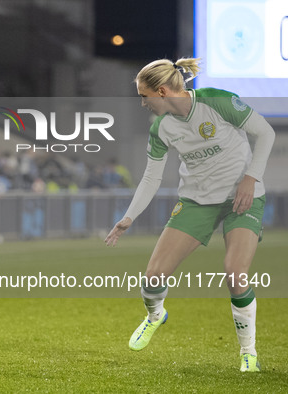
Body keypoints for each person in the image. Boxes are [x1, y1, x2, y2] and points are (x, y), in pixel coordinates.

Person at [104, 57, 275, 373]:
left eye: (144, 96)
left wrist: (251, 177)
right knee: (153, 277)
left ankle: (248, 353)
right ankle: (156, 316)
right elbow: (151, 178)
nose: (142, 103)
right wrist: (128, 217)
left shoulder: (216, 101)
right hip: (197, 202)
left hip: (242, 197)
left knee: (235, 273)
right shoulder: (161, 128)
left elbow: (265, 133)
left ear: (163, 90)